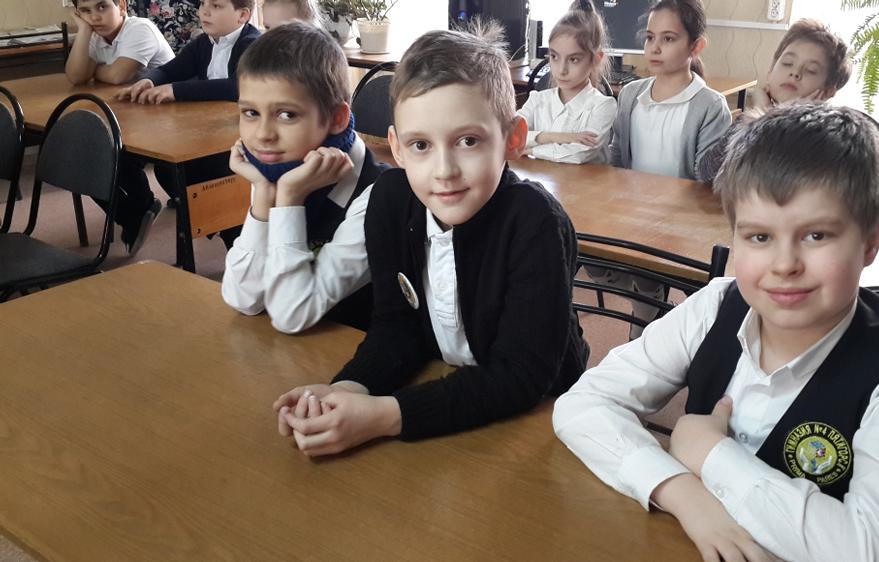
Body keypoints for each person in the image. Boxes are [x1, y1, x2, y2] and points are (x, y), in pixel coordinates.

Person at [554, 103, 879, 562]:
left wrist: (709, 451)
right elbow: (582, 404)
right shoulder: (716, 306)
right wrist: (682, 492)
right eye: (759, 237)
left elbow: (872, 550)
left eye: (817, 236)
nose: (784, 265)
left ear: (870, 241)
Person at [271, 23, 589, 458]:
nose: (444, 171)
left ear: (512, 138)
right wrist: (349, 389)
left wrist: (385, 415)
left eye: (468, 141)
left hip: (541, 421)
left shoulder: (534, 220)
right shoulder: (389, 201)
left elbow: (522, 376)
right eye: (421, 145)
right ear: (397, 148)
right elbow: (396, 326)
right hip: (450, 400)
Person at [221, 22, 387, 333]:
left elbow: (291, 315)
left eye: (287, 115)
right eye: (251, 113)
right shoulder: (276, 172)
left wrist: (288, 199)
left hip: (354, 349)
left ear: (337, 118)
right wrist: (263, 196)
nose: (263, 135)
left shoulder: (379, 197)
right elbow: (243, 299)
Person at [65, 0, 173, 254]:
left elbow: (117, 76)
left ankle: (141, 207)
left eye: (102, 7)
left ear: (122, 6)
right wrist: (84, 31)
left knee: (111, 154)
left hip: (169, 119)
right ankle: (134, 214)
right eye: (86, 11)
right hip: (129, 115)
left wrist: (96, 71)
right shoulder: (94, 35)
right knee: (80, 161)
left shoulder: (140, 28)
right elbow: (76, 77)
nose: (95, 17)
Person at [697, 19, 852, 182]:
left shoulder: (827, 136)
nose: (795, 72)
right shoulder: (751, 120)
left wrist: (770, 122)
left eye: (810, 70)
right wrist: (759, 118)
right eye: (787, 63)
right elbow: (706, 174)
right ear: (770, 72)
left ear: (828, 91)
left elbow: (779, 183)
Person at [608, 0, 729, 182]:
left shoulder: (711, 107)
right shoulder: (629, 94)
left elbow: (707, 182)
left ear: (696, 47)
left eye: (668, 39)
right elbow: (616, 159)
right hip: (629, 198)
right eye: (650, 37)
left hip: (682, 201)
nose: (654, 48)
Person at [515, 0, 616, 164]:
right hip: (542, 177)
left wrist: (531, 150)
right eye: (554, 57)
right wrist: (554, 137)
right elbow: (509, 135)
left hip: (585, 180)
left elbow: (579, 154)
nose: (561, 70)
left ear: (596, 60)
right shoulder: (537, 99)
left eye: (574, 59)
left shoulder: (603, 106)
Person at [114, 0, 260, 104]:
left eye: (216, 5)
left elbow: (236, 87)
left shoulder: (254, 45)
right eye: (202, 3)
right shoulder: (202, 42)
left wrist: (175, 90)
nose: (204, 12)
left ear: (242, 15)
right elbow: (168, 71)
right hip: (209, 119)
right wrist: (149, 80)